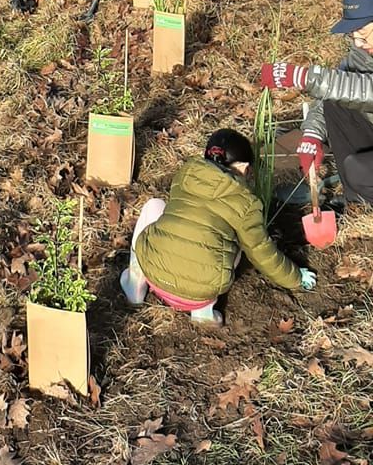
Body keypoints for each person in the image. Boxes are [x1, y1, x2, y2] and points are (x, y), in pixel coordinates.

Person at [120, 129, 316, 324]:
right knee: (237, 242)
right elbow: (261, 252)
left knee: (156, 206)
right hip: (198, 293)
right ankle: (203, 314)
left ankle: (135, 284)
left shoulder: (186, 174)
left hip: (154, 273)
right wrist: (295, 277)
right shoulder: (246, 203)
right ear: (243, 166)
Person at [260, 0, 373, 206]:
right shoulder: (360, 55)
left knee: (358, 170)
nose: (358, 43)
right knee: (333, 103)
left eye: (363, 34)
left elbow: (366, 90)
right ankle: (357, 202)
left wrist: (304, 77)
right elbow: (332, 94)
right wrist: (312, 135)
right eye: (353, 35)